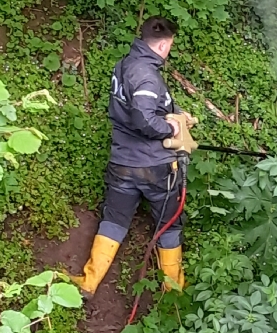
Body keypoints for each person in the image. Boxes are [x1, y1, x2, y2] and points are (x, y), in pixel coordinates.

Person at [72, 16, 196, 297]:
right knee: (168, 224)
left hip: (122, 163)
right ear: (163, 44)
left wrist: (177, 115)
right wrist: (171, 126)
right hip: (154, 167)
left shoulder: (125, 65)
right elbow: (143, 118)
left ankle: (89, 282)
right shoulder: (146, 75)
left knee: (114, 220)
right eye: (170, 46)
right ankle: (174, 288)